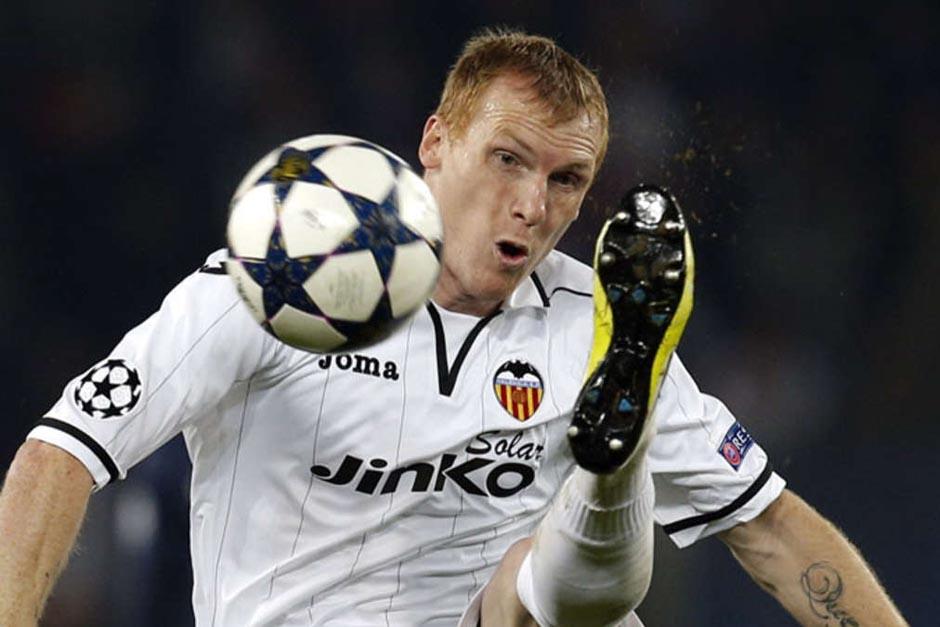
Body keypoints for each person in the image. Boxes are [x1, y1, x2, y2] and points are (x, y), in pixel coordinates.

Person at [0, 28, 906, 627]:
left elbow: (775, 527)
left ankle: (608, 467)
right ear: (435, 143)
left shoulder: (593, 313)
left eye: (566, 181)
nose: (531, 205)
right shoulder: (291, 276)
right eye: (507, 160)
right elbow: (63, 451)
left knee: (540, 589)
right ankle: (610, 478)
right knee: (558, 588)